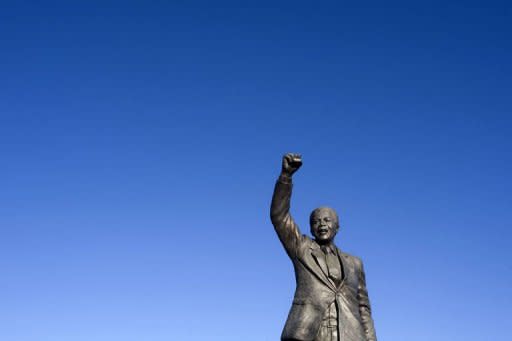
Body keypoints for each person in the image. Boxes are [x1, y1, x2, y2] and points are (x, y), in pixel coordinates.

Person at [270, 153, 377, 341]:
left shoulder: (354, 263)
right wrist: (286, 177)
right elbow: (280, 217)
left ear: (337, 227)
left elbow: (363, 307)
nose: (322, 224)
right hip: (310, 333)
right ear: (311, 228)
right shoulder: (301, 248)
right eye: (316, 221)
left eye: (327, 220)